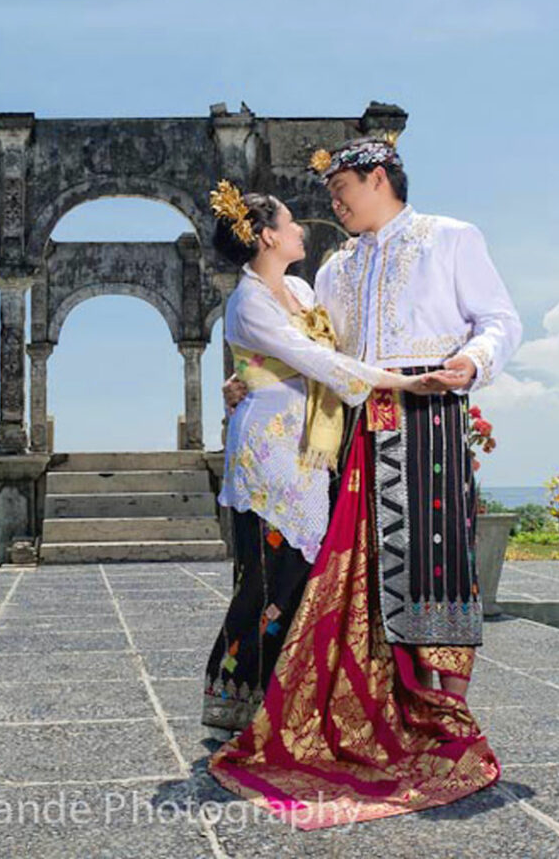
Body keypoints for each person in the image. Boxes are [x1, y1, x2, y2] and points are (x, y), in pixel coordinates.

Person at [207, 135, 521, 829]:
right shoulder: (335, 269)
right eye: (324, 199)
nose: (334, 206)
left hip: (429, 415)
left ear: (378, 177)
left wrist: (470, 364)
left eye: (341, 191)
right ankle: (373, 702)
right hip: (353, 428)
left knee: (437, 565)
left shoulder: (449, 238)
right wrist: (248, 378)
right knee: (360, 576)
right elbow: (314, 351)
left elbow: (501, 321)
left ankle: (445, 707)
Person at [200, 180, 422, 740]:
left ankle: (282, 695)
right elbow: (317, 361)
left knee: (297, 576)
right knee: (265, 578)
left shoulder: (298, 289)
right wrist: (405, 383)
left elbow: (335, 350)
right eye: (292, 222)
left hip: (309, 446)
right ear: (269, 237)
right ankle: (233, 694)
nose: (301, 229)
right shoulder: (248, 301)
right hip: (268, 454)